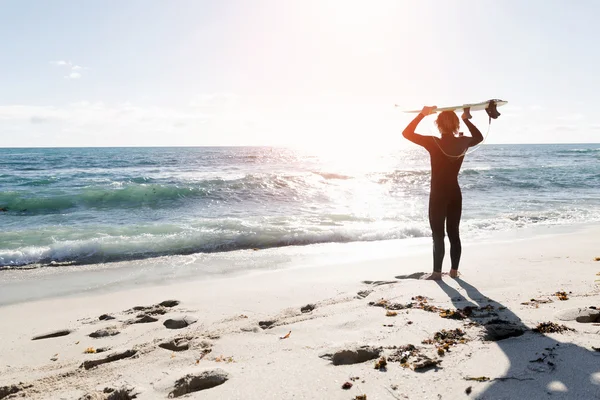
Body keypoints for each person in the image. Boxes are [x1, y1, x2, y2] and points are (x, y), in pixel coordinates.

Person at [402, 106, 483, 280]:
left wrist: (422, 114)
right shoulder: (464, 141)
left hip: (438, 194)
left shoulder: (433, 142)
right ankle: (454, 271)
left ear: (438, 124)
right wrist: (467, 119)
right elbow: (479, 137)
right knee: (454, 233)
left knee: (438, 234)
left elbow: (406, 133)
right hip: (455, 193)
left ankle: (437, 273)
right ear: (456, 125)